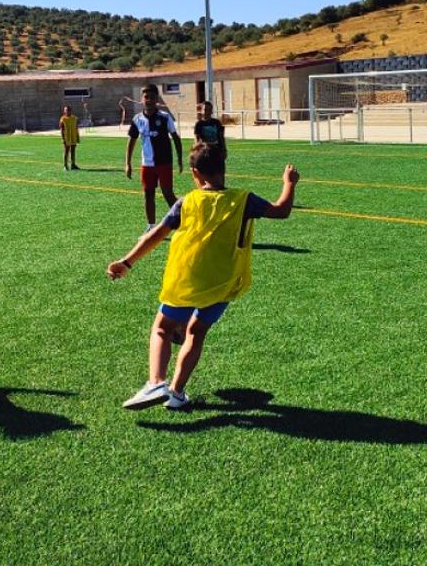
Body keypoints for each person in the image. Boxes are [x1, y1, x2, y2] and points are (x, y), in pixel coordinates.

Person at [109, 144, 299, 410]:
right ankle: (176, 393)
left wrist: (127, 261)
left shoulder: (186, 201)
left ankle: (156, 382)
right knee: (196, 332)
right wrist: (288, 183)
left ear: (195, 173)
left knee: (163, 329)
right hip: (223, 283)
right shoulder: (244, 200)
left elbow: (156, 234)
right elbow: (282, 210)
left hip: (187, 279)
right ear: (223, 169)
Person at [125, 84, 185, 231]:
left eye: (152, 97)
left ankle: (185, 221)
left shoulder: (164, 117)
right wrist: (128, 163)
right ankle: (151, 226)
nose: (149, 100)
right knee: (148, 195)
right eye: (146, 97)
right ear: (141, 99)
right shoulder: (137, 119)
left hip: (164, 163)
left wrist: (179, 159)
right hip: (147, 164)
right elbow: (131, 141)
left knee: (168, 194)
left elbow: (176, 138)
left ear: (156, 98)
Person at [59, 104, 81, 171]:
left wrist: (77, 137)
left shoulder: (74, 118)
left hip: (73, 137)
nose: (67, 111)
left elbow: (76, 128)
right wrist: (63, 138)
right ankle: (65, 166)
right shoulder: (62, 119)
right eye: (66, 110)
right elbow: (61, 130)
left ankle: (73, 164)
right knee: (66, 151)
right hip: (67, 137)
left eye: (69, 110)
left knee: (73, 151)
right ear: (64, 111)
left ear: (71, 111)